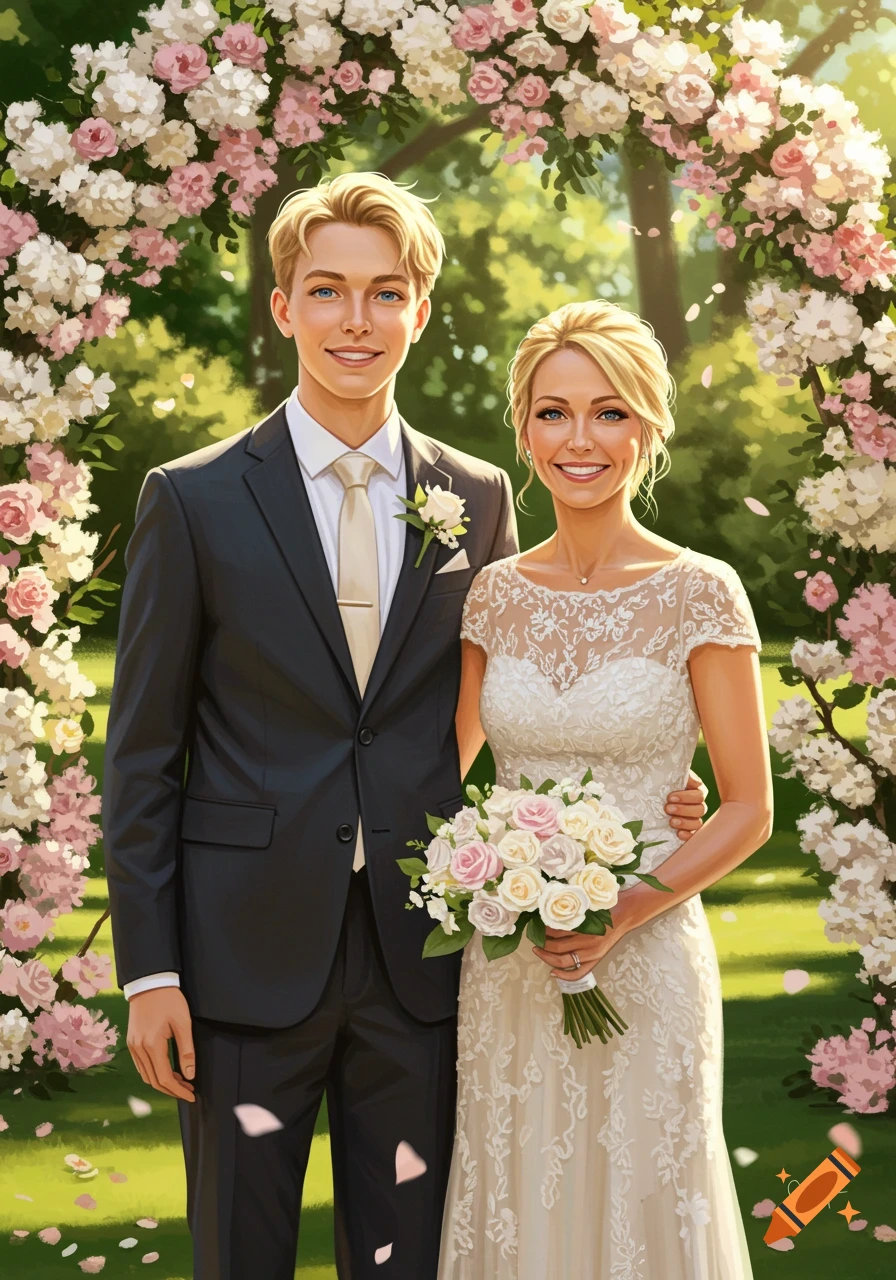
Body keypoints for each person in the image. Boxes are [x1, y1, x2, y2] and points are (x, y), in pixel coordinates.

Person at [103, 174, 708, 1280]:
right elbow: (141, 755)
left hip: (424, 958)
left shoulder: (477, 496)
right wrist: (151, 973)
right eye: (326, 290)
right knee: (239, 1257)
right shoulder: (191, 499)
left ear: (419, 312)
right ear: (283, 307)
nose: (356, 319)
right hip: (239, 961)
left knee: (406, 1259)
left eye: (385, 293)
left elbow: (512, 701)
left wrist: (651, 794)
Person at [439, 299, 773, 1280]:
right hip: (509, 960)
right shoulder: (493, 594)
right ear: (523, 428)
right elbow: (436, 774)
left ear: (647, 426)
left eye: (608, 412)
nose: (578, 439)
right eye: (553, 413)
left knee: (645, 1200)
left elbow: (749, 808)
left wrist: (622, 910)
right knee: (516, 1191)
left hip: (650, 955)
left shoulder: (700, 590)